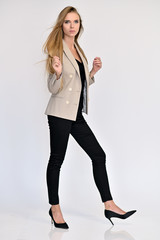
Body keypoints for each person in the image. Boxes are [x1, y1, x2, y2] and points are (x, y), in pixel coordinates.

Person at [42, 6, 136, 229]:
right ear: (61, 24)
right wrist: (56, 72)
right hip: (59, 114)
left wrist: (92, 73)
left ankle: (109, 204)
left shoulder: (77, 49)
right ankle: (55, 208)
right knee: (57, 160)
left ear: (79, 25)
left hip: (75, 114)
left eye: (75, 22)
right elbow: (53, 88)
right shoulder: (56, 49)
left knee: (98, 155)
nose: (72, 26)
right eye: (67, 22)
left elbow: (78, 84)